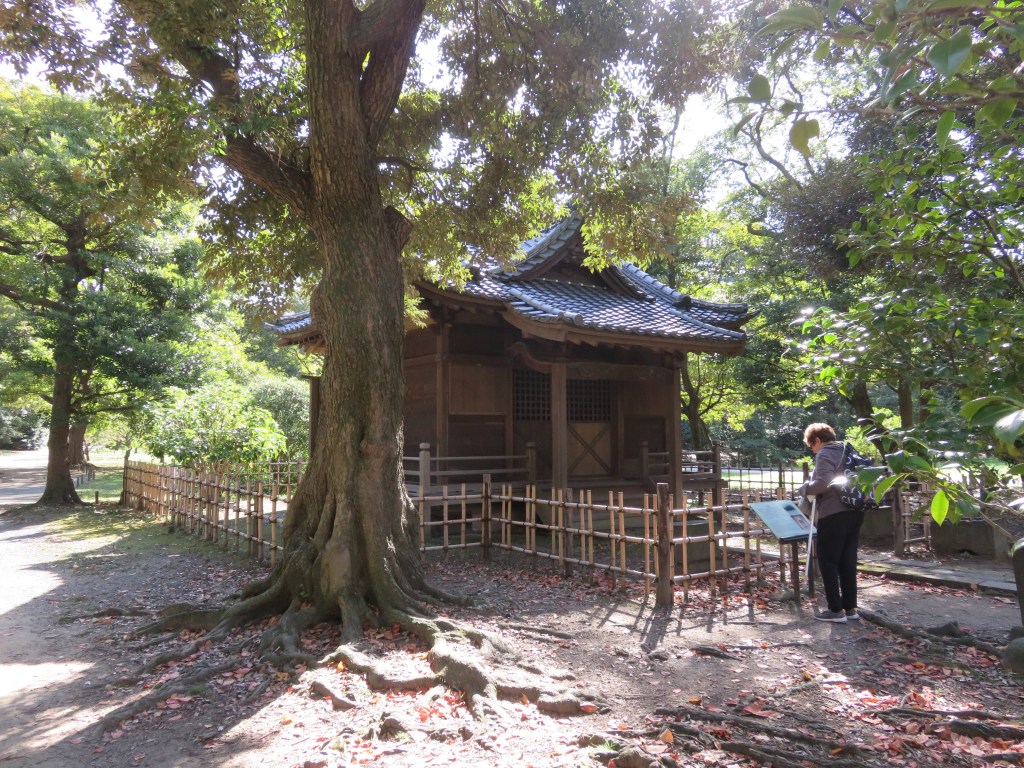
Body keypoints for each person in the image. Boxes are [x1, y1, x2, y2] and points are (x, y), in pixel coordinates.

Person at [800, 422, 863, 624]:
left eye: (812, 445)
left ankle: (835, 610)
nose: (813, 450)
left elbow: (822, 484)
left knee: (828, 561)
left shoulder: (825, 453)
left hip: (833, 513)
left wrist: (804, 489)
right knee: (847, 560)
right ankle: (850, 608)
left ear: (818, 440)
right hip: (855, 510)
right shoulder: (848, 450)